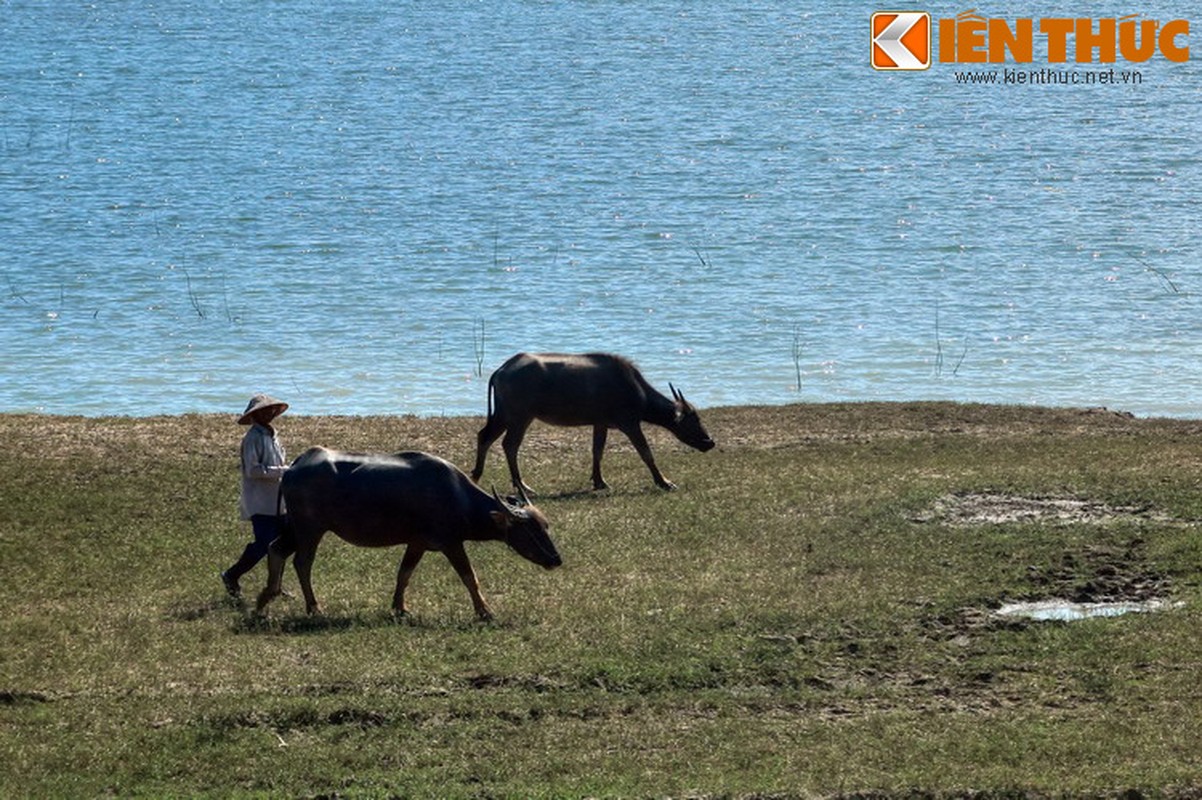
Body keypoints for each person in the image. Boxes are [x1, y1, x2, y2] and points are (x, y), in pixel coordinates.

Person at [221, 394, 289, 597]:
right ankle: (232, 574)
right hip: (261, 502)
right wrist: (283, 471)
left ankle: (275, 585)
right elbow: (253, 470)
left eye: (272, 410)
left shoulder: (273, 436)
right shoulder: (252, 438)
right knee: (264, 544)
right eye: (266, 410)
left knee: (282, 545)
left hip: (278, 501)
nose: (270, 413)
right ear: (256, 414)